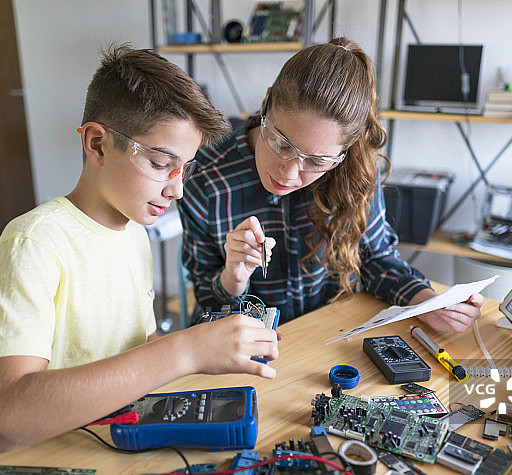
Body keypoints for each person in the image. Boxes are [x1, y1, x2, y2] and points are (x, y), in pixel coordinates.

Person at [0, 45, 279, 452]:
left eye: (185, 167)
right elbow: (2, 419)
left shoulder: (133, 232)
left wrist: (210, 346)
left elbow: (139, 349)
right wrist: (185, 350)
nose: (177, 189)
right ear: (97, 144)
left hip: (115, 439)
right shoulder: (34, 244)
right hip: (53, 457)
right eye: (160, 162)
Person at [179, 37, 482, 332]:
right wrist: (233, 278)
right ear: (266, 104)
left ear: (343, 153)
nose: (288, 173)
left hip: (323, 340)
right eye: (282, 144)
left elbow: (376, 259)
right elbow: (207, 300)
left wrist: (428, 303)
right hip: (236, 346)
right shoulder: (204, 174)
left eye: (317, 161)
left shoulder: (357, 170)